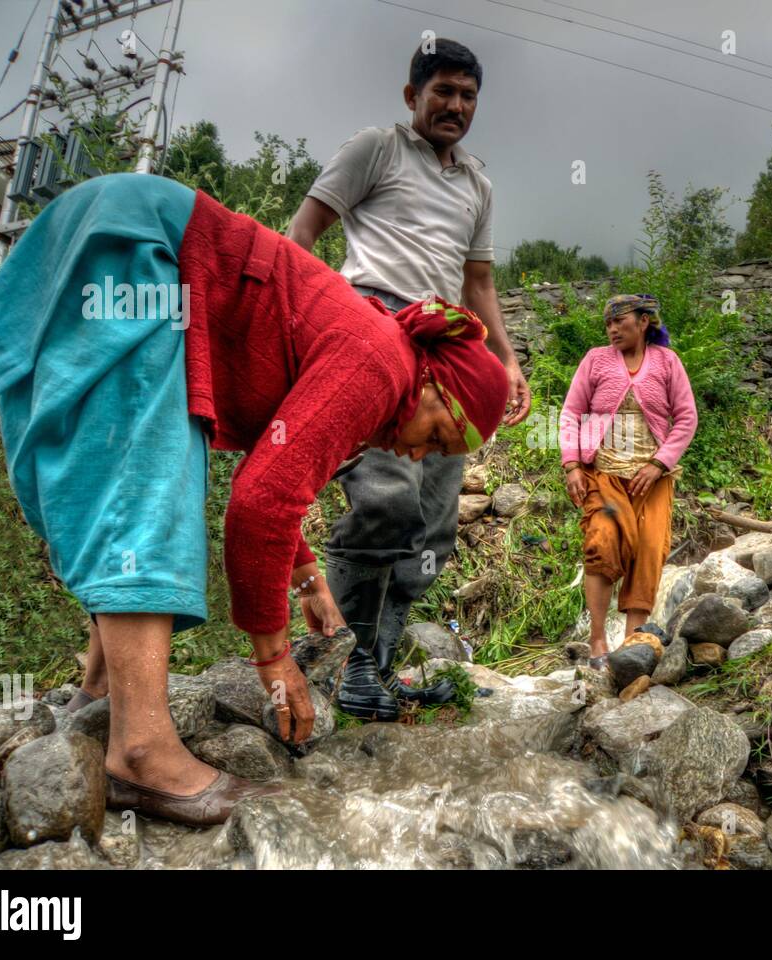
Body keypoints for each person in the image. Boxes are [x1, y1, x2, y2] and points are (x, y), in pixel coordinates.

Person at [0, 172, 509, 825]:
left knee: (124, 476)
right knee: (146, 479)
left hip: (118, 224)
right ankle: (140, 750)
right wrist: (275, 664)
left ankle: (101, 695)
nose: (418, 455)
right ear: (434, 384)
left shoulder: (372, 348)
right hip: (145, 249)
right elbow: (259, 504)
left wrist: (305, 574)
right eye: (436, 437)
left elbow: (273, 460)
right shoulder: (384, 365)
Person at [286, 37, 529, 720]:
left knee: (432, 528)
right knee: (388, 499)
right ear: (412, 96)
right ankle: (344, 660)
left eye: (467, 94)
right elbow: (302, 232)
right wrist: (291, 315)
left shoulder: (477, 184)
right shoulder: (378, 148)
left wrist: (506, 361)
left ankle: (377, 669)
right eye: (443, 91)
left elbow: (478, 281)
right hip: (374, 329)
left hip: (449, 349)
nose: (455, 105)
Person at [561, 295, 698, 669]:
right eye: (608, 324)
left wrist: (658, 464)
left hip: (651, 480)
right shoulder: (595, 360)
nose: (612, 329)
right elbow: (571, 413)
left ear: (643, 322)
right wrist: (572, 464)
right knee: (601, 543)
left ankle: (632, 645)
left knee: (649, 552)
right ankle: (597, 641)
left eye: (619, 321)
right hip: (604, 474)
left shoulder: (668, 362)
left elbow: (686, 419)